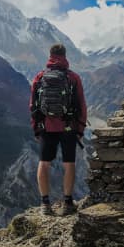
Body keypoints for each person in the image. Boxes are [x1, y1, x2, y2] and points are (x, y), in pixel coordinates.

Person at [30, 44, 87, 216]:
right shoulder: (73, 77)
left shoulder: (40, 77)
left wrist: (36, 128)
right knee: (69, 163)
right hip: (68, 125)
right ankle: (68, 202)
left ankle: (45, 204)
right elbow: (82, 105)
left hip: (47, 126)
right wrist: (80, 129)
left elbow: (33, 105)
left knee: (44, 163)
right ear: (65, 55)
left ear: (50, 55)